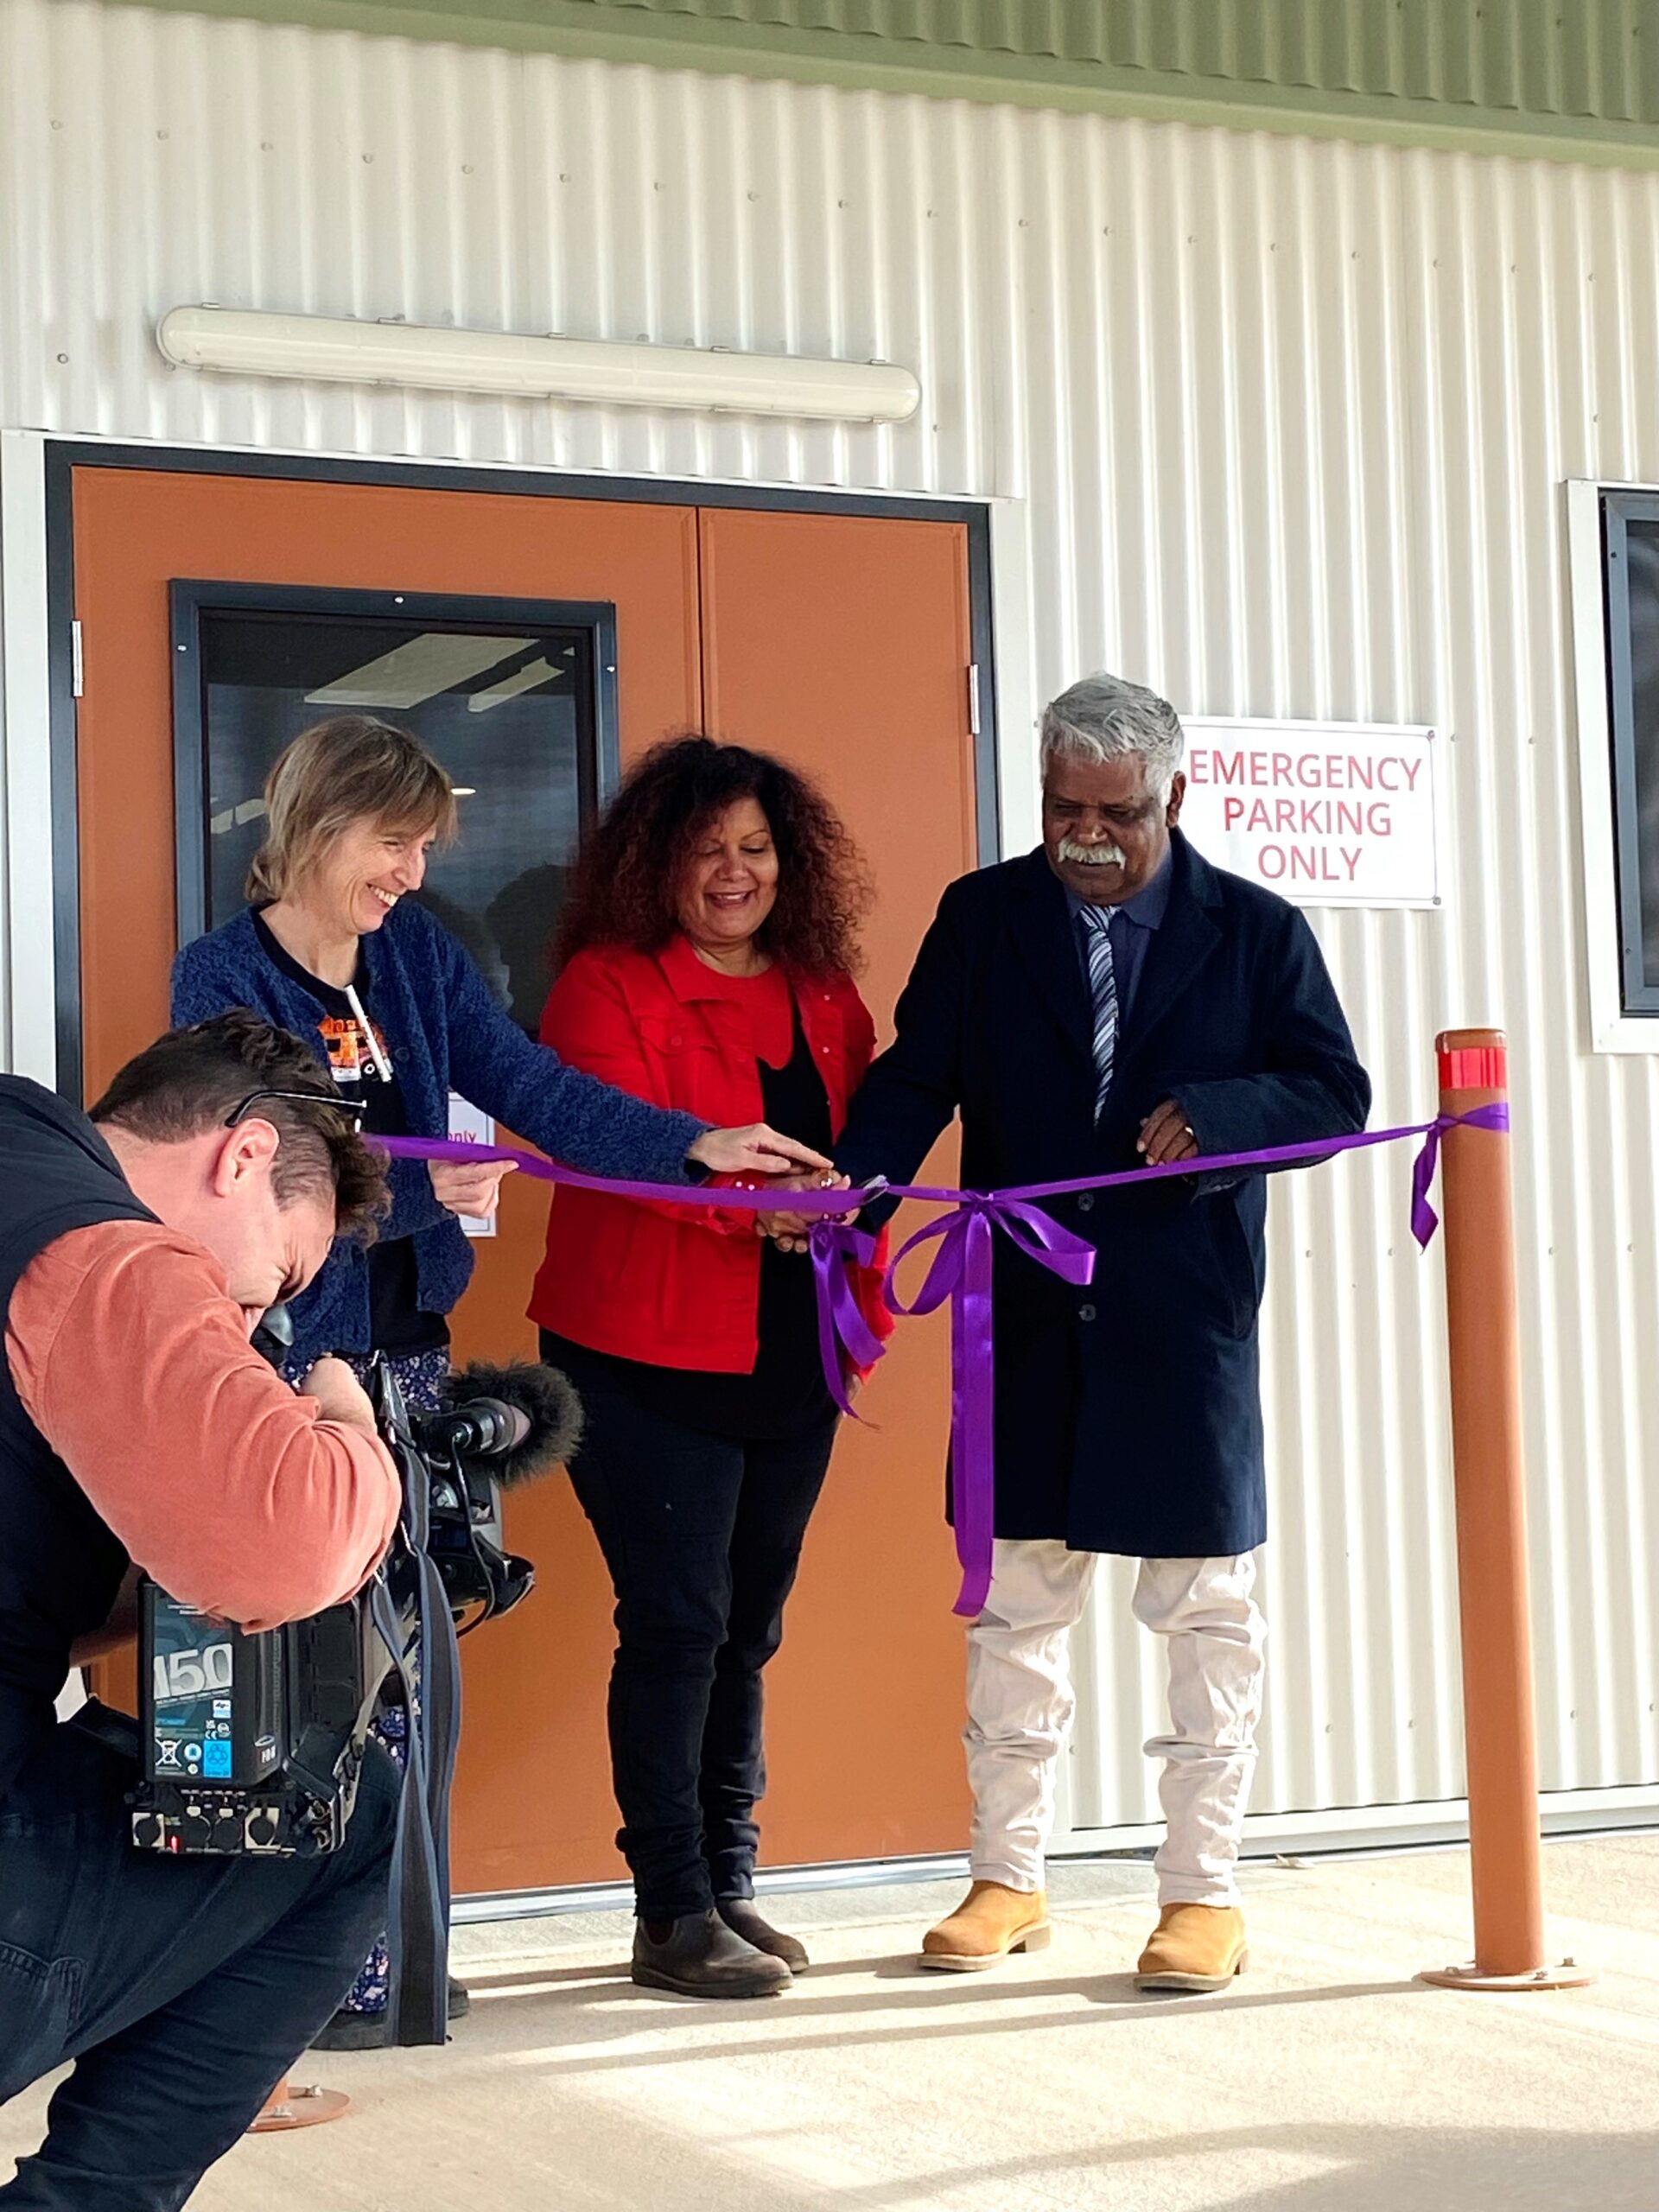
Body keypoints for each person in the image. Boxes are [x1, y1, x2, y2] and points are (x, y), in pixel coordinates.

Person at [170, 715, 830, 2045]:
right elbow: (236, 1168)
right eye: (394, 842)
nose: (413, 871)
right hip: (292, 1366)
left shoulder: (414, 957)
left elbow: (529, 1081)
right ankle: (301, 1973)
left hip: (406, 1358)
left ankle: (390, 1946)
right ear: (315, 826)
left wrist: (694, 1146)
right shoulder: (219, 974)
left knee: (404, 1670)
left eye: (422, 847)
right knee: (301, 1664)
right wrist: (419, 1188)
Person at [770, 674, 1371, 1993]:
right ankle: (1007, 1878)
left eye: (1117, 812)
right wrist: (851, 1188)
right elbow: (918, 1071)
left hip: (1180, 1323)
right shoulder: (984, 917)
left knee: (1205, 1611)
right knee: (1012, 1609)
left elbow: (1336, 1089)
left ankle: (1202, 1897)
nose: (1087, 835)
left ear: (1178, 794)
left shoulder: (1258, 931)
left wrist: (1222, 1113)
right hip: (1022, 1320)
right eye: (1062, 809)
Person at [0, 1013, 403, 2209]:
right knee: (344, 1821)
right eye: (266, 1287)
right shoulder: (105, 1249)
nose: (242, 1332)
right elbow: (282, 1540)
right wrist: (350, 1438)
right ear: (239, 1157)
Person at [531, 736, 890, 1999]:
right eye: (706, 850)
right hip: (640, 1353)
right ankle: (668, 1908)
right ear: (655, 864)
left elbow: (866, 1142)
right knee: (678, 1625)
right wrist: (768, 1213)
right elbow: (625, 1152)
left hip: (791, 1355)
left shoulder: (826, 988)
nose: (733, 873)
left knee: (748, 1628)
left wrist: (855, 1200)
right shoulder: (604, 987)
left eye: (754, 848)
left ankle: (732, 1880)